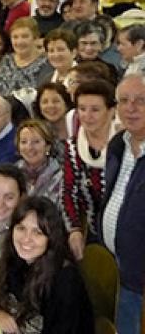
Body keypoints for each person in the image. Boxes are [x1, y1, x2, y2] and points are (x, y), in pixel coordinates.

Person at [0, 196, 94, 334]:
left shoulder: (66, 282)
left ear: (51, 238)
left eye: (37, 232)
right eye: (21, 228)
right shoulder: (18, 257)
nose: (26, 239)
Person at [99, 73, 145, 334]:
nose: (131, 107)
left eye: (141, 100)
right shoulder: (119, 144)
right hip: (115, 265)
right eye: (124, 100)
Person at [60, 80, 118, 260]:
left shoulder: (125, 146)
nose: (87, 115)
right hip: (93, 232)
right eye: (82, 109)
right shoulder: (73, 146)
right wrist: (74, 229)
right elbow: (68, 191)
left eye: (95, 109)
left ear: (111, 111)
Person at [0, 18, 51, 97]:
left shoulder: (46, 62)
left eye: (25, 36)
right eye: (15, 37)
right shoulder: (7, 60)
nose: (19, 42)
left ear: (35, 38)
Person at [14, 119, 63, 200]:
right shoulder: (13, 172)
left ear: (48, 146)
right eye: (23, 142)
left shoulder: (61, 176)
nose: (29, 147)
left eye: (36, 142)